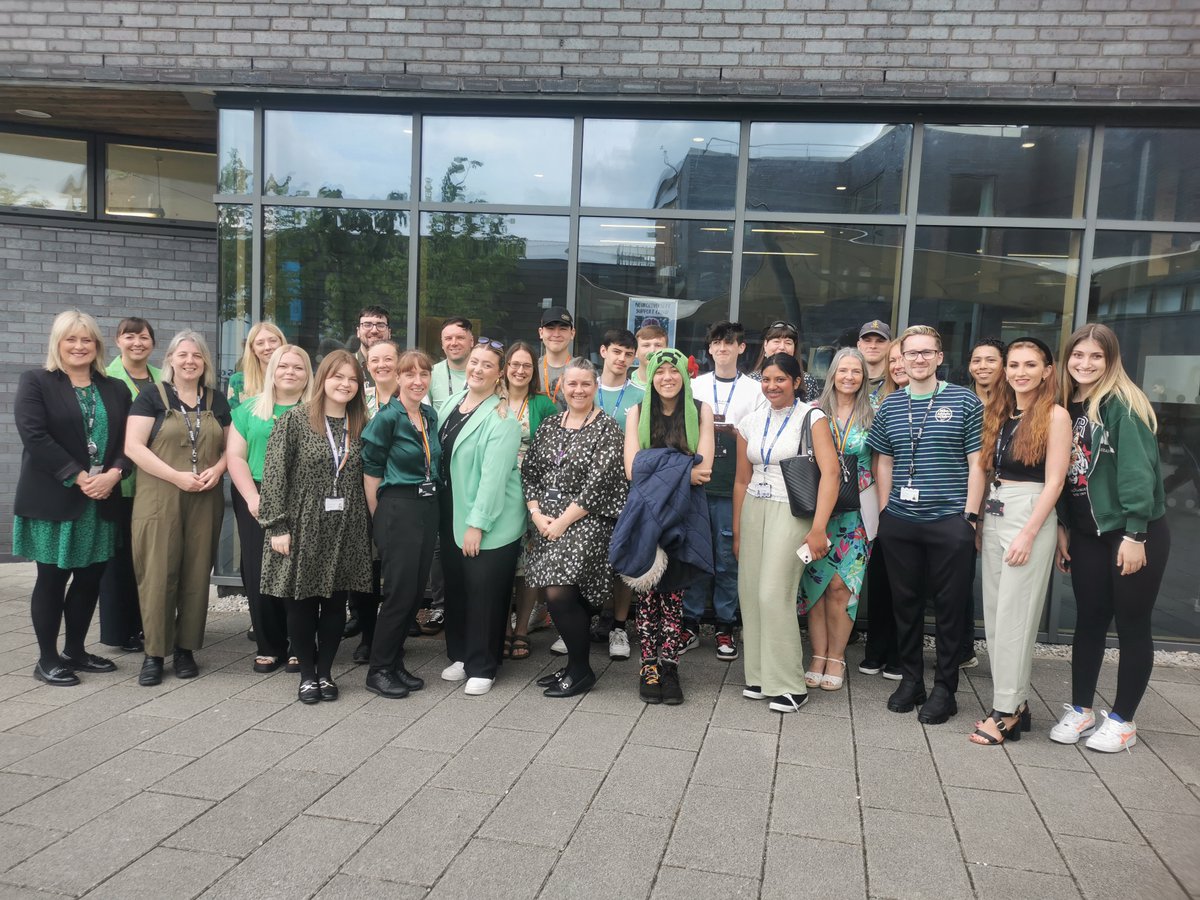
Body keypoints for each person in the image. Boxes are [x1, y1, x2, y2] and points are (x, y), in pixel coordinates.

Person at [1051, 324, 1170, 753]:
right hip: (1086, 534)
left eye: (1095, 357)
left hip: (1131, 533)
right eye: (1078, 355)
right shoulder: (1066, 404)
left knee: (1133, 624)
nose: (1085, 364)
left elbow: (1139, 473)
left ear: (1111, 360)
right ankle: (1081, 708)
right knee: (1089, 620)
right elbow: (1065, 477)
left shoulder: (1121, 404)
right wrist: (1065, 527)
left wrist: (1136, 534)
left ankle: (1123, 720)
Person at [867, 325, 985, 725]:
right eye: (911, 353)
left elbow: (977, 463)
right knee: (906, 605)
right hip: (901, 521)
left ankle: (945, 689)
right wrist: (885, 511)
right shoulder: (891, 405)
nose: (918, 359)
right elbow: (883, 459)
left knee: (950, 610)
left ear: (939, 357)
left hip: (949, 520)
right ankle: (911, 681)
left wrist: (969, 517)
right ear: (900, 358)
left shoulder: (965, 401)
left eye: (926, 353)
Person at [14, 310, 131, 686]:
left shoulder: (115, 388)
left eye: (87, 340)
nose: (80, 346)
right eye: (71, 339)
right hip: (55, 500)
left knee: (89, 579)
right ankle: (47, 658)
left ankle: (76, 651)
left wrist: (114, 474)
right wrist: (80, 477)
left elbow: (131, 442)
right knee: (52, 578)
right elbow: (35, 436)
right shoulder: (36, 382)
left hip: (102, 500)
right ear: (58, 343)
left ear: (96, 345)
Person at [970, 337, 1070, 745]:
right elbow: (982, 466)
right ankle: (1019, 703)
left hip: (1029, 512)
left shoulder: (1056, 415)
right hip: (996, 509)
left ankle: (1006, 711)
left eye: (1031, 364)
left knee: (1016, 615)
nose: (1020, 372)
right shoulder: (1000, 411)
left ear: (1048, 370)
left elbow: (1056, 480)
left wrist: (1030, 532)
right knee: (996, 614)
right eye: (1014, 365)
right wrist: (974, 520)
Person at [258, 349, 372, 704]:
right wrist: (277, 527)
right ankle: (306, 674)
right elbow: (275, 476)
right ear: (322, 378)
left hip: (346, 528)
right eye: (338, 376)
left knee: (337, 605)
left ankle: (326, 672)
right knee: (301, 604)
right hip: (302, 524)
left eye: (353, 379)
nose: (345, 384)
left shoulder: (362, 426)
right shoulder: (295, 420)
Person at [733, 353, 838, 713]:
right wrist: (736, 530)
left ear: (796, 381)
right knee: (749, 593)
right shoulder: (750, 420)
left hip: (790, 511)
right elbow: (741, 479)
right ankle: (761, 676)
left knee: (773, 593)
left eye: (780, 379)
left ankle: (790, 683)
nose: (771, 386)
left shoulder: (812, 417)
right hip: (753, 508)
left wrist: (819, 528)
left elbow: (832, 475)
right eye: (766, 379)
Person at [125, 330, 230, 686]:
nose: (190, 361)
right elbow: (134, 447)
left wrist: (217, 470)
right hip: (160, 495)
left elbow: (233, 448)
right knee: (158, 573)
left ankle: (186, 649)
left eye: (197, 356)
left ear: (205, 363)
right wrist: (176, 476)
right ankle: (154, 653)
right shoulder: (151, 396)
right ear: (170, 359)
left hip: (205, 495)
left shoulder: (217, 400)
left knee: (197, 572)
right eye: (183, 355)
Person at [523, 358, 628, 697]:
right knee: (567, 596)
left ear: (595, 387)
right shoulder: (552, 424)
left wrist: (563, 522)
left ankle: (581, 670)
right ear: (562, 387)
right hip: (548, 520)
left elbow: (599, 484)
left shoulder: (608, 428)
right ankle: (573, 667)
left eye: (585, 384)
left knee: (559, 592)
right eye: (572, 384)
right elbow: (531, 472)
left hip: (589, 519)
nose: (578, 390)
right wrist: (537, 515)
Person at [616, 348, 715, 705]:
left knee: (673, 594)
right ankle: (648, 666)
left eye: (674, 372)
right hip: (646, 513)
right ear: (650, 376)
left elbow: (703, 472)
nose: (667, 378)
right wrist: (680, 466)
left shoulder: (701, 409)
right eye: (660, 372)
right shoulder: (637, 413)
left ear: (684, 377)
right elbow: (631, 469)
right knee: (647, 594)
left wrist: (655, 464)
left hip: (686, 513)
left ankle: (669, 664)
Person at [437, 338, 526, 696]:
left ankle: (484, 664)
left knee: (484, 592)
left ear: (500, 373)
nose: (477, 369)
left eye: (487, 365)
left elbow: (493, 479)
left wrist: (478, 524)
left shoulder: (502, 419)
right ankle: (460, 654)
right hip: (451, 511)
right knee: (458, 587)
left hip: (489, 520)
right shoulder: (449, 405)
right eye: (474, 362)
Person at [361, 349, 442, 699]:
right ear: (397, 378)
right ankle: (378, 669)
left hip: (427, 507)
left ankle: (394, 663)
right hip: (397, 507)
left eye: (423, 374)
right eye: (409, 374)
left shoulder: (429, 415)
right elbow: (371, 470)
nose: (417, 381)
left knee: (413, 592)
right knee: (397, 592)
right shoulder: (387, 417)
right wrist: (381, 517)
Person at [227, 344, 312, 674]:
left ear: (308, 375)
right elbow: (235, 456)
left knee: (298, 573)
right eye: (283, 366)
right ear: (271, 371)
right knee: (260, 570)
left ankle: (299, 642)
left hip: (303, 497)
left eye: (298, 367)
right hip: (257, 494)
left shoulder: (317, 410)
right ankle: (269, 644)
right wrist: (251, 496)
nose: (290, 372)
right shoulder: (249, 410)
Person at [681, 321, 761, 661]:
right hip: (698, 483)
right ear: (710, 349)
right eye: (717, 343)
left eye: (729, 344)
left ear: (741, 348)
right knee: (696, 556)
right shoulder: (694, 385)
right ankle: (689, 623)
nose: (723, 349)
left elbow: (759, 434)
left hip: (734, 484)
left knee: (728, 559)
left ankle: (726, 625)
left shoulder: (755, 390)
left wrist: (732, 431)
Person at [800, 348, 877, 692]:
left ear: (863, 377)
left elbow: (879, 465)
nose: (849, 377)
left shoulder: (873, 415)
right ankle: (817, 655)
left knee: (842, 587)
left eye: (856, 372)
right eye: (843, 370)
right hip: (818, 509)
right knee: (815, 586)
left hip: (857, 512)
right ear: (833, 374)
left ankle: (837, 656)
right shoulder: (814, 413)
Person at [98, 316, 161, 653]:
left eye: (144, 337)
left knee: (147, 560)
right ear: (117, 340)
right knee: (118, 560)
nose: (138, 342)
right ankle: (118, 632)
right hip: (120, 483)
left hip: (156, 484)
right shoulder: (106, 379)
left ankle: (145, 625)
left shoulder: (163, 379)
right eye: (130, 336)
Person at [500, 340, 559, 662]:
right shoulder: (492, 401)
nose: (520, 370)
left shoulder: (544, 405)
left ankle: (521, 628)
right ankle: (502, 627)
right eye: (514, 364)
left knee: (528, 566)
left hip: (533, 496)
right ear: (505, 368)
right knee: (502, 563)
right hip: (499, 493)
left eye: (526, 366)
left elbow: (555, 456)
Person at [592, 328, 645, 656]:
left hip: (625, 489)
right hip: (586, 490)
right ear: (603, 352)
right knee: (590, 557)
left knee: (624, 560)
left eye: (628, 354)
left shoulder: (640, 395)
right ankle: (588, 619)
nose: (622, 359)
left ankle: (619, 628)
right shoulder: (584, 387)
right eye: (616, 352)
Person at [858, 338, 908, 681]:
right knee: (879, 576)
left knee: (907, 581)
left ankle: (900, 654)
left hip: (920, 501)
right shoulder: (883, 402)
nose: (898, 365)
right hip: (880, 495)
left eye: (903, 358)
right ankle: (876, 648)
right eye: (893, 360)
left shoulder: (941, 399)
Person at [959, 337, 1006, 670]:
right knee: (960, 575)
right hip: (963, 498)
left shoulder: (1013, 404)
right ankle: (963, 648)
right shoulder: (961, 400)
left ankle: (1004, 659)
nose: (983, 366)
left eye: (991, 360)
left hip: (1001, 499)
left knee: (998, 580)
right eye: (977, 360)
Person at [749, 320, 820, 401]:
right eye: (776, 341)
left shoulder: (808, 380)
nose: (782, 347)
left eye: (788, 343)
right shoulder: (751, 380)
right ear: (765, 345)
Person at [227, 321, 284, 409]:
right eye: (260, 343)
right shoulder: (238, 381)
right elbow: (235, 420)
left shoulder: (295, 378)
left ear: (282, 343)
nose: (268, 347)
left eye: (273, 341)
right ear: (253, 349)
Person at [429, 316, 473, 408]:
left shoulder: (483, 374)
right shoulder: (430, 374)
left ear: (471, 341)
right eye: (448, 338)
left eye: (460, 338)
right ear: (442, 344)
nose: (454, 343)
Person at [537, 307, 575, 411]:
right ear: (541, 333)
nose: (556, 334)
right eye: (550, 328)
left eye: (563, 329)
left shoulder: (582, 370)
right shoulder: (530, 369)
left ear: (572, 333)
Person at [352, 305, 392, 399]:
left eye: (380, 325)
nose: (374, 330)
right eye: (367, 325)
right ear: (358, 332)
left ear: (389, 332)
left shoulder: (399, 367)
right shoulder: (346, 364)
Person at [857, 319, 892, 405]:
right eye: (867, 341)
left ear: (890, 345)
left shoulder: (895, 379)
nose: (873, 346)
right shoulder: (849, 379)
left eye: (880, 341)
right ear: (858, 345)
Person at [628, 323, 667, 391]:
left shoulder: (674, 383)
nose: (652, 351)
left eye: (658, 345)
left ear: (667, 351)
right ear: (636, 352)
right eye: (646, 345)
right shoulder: (624, 382)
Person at [968, 338, 1006, 404]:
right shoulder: (958, 398)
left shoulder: (1016, 399)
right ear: (969, 367)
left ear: (1005, 365)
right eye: (976, 361)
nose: (982, 366)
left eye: (991, 360)